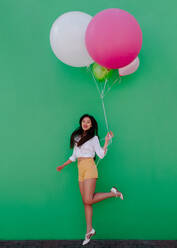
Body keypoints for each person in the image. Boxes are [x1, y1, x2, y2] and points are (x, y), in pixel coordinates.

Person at [56, 114, 123, 246]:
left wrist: (107, 141)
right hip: (80, 169)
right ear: (81, 123)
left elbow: (101, 155)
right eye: (84, 121)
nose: (85, 123)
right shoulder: (77, 138)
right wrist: (63, 165)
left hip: (90, 167)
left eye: (88, 122)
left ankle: (114, 193)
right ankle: (89, 230)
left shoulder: (94, 138)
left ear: (92, 125)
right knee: (86, 202)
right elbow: (74, 156)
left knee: (88, 199)